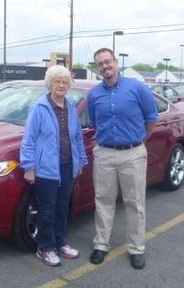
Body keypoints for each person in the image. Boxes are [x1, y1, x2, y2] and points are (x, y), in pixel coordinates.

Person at [87, 48, 158, 270]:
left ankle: (137, 249)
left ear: (116, 62)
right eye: (100, 64)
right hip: (105, 153)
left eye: (108, 61)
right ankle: (101, 245)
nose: (105, 66)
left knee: (134, 203)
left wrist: (139, 142)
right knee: (103, 201)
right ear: (97, 68)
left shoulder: (137, 88)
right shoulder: (94, 94)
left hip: (133, 153)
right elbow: (94, 123)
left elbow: (151, 118)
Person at [20, 65, 88, 267]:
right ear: (50, 84)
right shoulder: (40, 108)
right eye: (57, 81)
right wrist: (29, 167)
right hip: (46, 169)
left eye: (64, 82)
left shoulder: (71, 106)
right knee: (47, 210)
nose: (61, 85)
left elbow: (76, 137)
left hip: (67, 166)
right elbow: (29, 139)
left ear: (68, 85)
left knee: (62, 207)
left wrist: (81, 160)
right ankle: (45, 248)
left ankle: (60, 243)